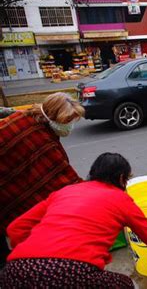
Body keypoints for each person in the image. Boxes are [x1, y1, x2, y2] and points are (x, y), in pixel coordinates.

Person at [0, 153, 147, 288]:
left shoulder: (66, 191)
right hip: (68, 272)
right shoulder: (121, 199)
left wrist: (31, 256)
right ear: (122, 178)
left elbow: (15, 228)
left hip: (14, 271)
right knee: (124, 284)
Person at [0, 92, 84, 268]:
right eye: (67, 121)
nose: (69, 126)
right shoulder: (41, 139)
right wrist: (95, 191)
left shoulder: (24, 117)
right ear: (53, 116)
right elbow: (62, 180)